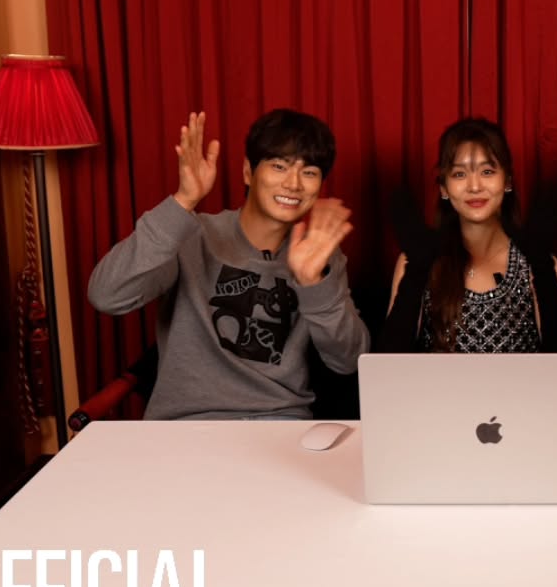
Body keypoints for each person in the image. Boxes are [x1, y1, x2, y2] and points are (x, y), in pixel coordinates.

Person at [88, 109, 369, 419]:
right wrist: (182, 202)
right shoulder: (189, 235)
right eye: (279, 166)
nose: (293, 184)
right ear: (248, 172)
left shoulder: (318, 252)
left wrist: (314, 283)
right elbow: (107, 296)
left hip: (280, 424)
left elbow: (348, 359)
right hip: (188, 426)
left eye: (309, 172)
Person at [380, 118, 557, 353]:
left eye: (487, 172)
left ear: (507, 181)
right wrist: (417, 269)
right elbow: (389, 362)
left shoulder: (537, 263)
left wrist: (541, 264)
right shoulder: (419, 260)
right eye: (459, 174)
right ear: (443, 188)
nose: (475, 186)